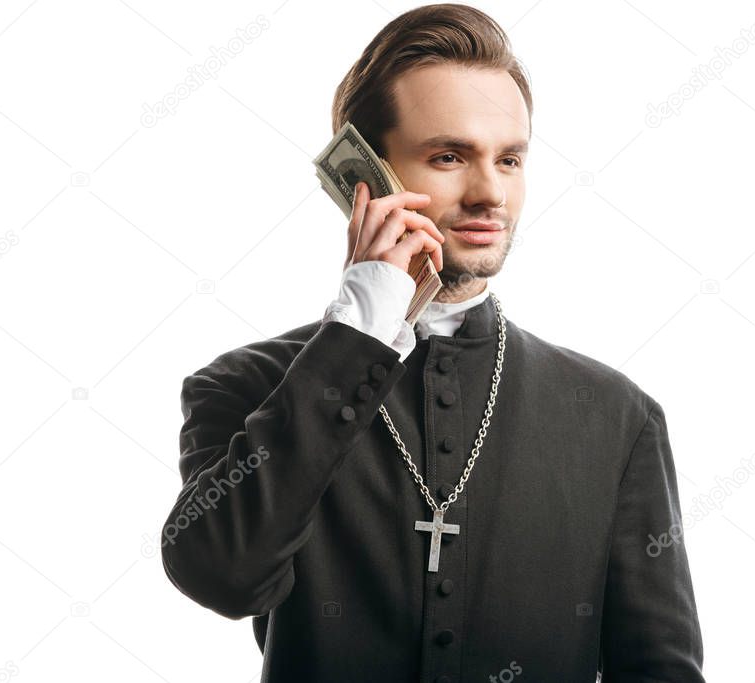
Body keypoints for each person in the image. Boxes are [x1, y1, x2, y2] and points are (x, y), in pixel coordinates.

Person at [160, 4, 705, 681]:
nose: (489, 192)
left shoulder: (618, 415)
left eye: (509, 159)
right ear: (365, 180)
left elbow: (659, 671)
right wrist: (361, 324)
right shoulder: (245, 385)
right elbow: (221, 576)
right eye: (449, 156)